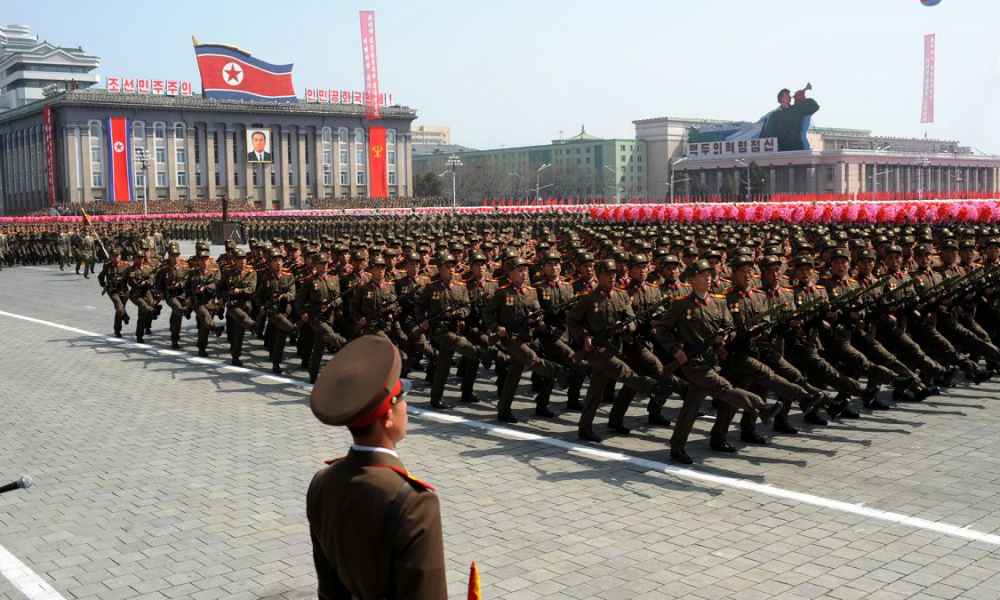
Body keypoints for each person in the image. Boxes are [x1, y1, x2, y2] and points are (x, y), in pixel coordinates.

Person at [306, 336, 447, 600]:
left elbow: (329, 588)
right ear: (388, 417)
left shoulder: (322, 482)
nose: (407, 407)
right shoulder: (416, 504)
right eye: (402, 398)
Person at [760, 87, 819, 152]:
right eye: (786, 94)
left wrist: (803, 99)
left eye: (789, 94)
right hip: (781, 150)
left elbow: (815, 107)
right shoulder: (775, 115)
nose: (789, 96)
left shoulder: (797, 108)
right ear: (781, 99)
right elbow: (768, 135)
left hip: (796, 148)